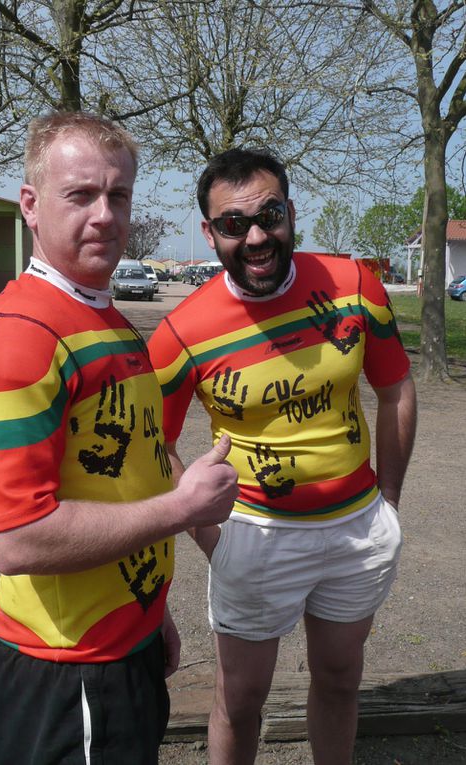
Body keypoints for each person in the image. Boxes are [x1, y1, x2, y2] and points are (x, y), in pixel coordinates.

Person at [0, 112, 238, 765]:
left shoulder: (103, 317)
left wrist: (148, 609)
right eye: (80, 194)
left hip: (118, 648)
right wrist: (184, 508)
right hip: (64, 671)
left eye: (119, 194)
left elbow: (126, 470)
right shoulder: (15, 334)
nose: (106, 214)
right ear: (30, 204)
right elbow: (17, 538)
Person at [147, 148, 417, 765]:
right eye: (234, 224)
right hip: (256, 535)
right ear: (210, 232)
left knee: (341, 679)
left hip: (357, 529)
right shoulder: (181, 332)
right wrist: (210, 531)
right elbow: (152, 446)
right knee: (240, 701)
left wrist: (390, 503)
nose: (257, 236)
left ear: (292, 212)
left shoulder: (354, 285)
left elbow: (395, 385)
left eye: (270, 214)